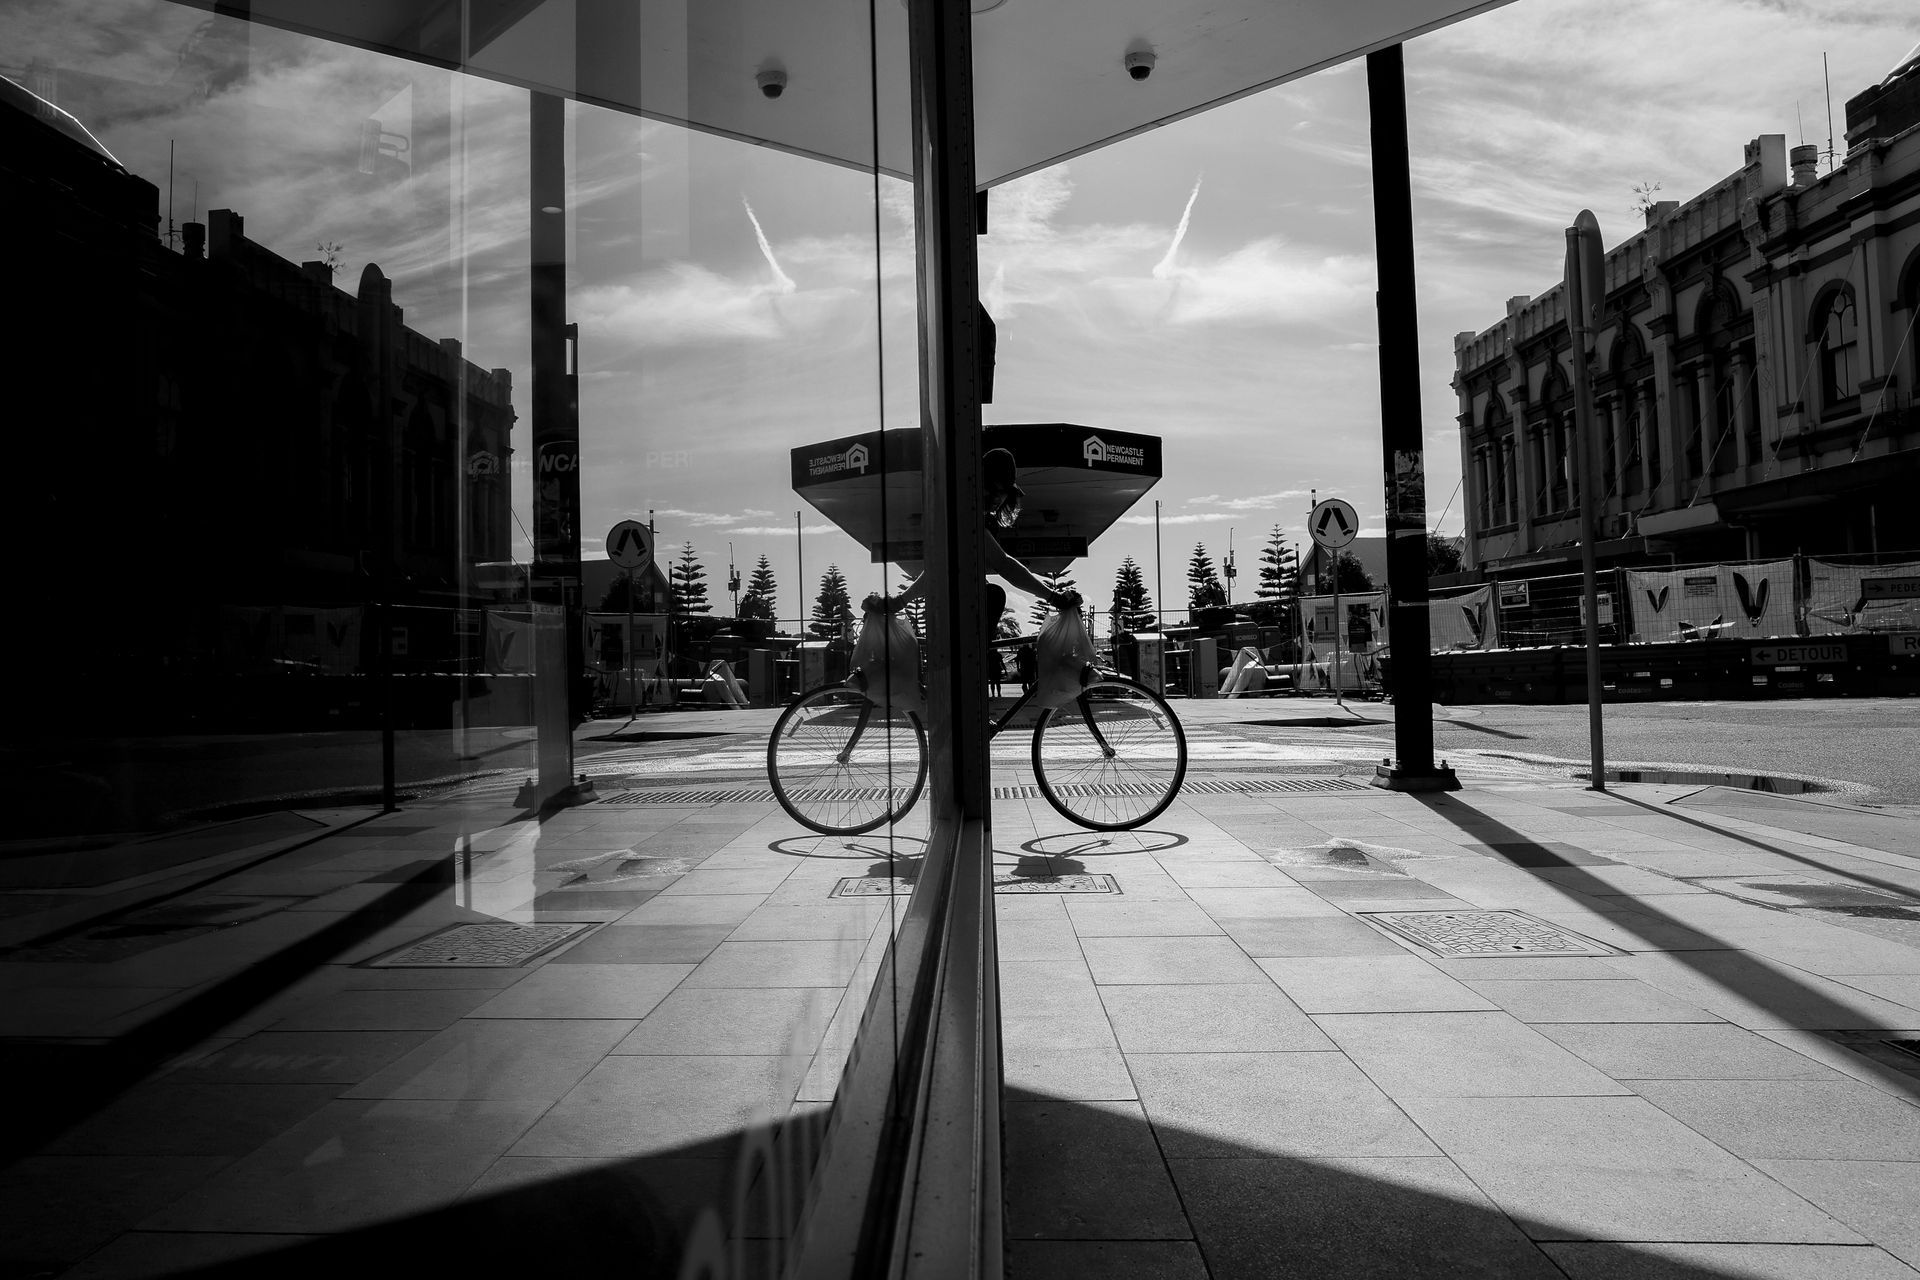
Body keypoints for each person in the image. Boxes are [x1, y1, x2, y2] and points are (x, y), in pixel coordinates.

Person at [866, 448, 1078, 639]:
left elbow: (938, 568)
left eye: (1003, 490)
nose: (997, 496)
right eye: (991, 487)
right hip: (956, 613)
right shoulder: (966, 516)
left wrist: (901, 601)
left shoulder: (974, 517)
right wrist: (1053, 597)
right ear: (977, 482)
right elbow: (1002, 564)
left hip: (947, 611)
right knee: (992, 595)